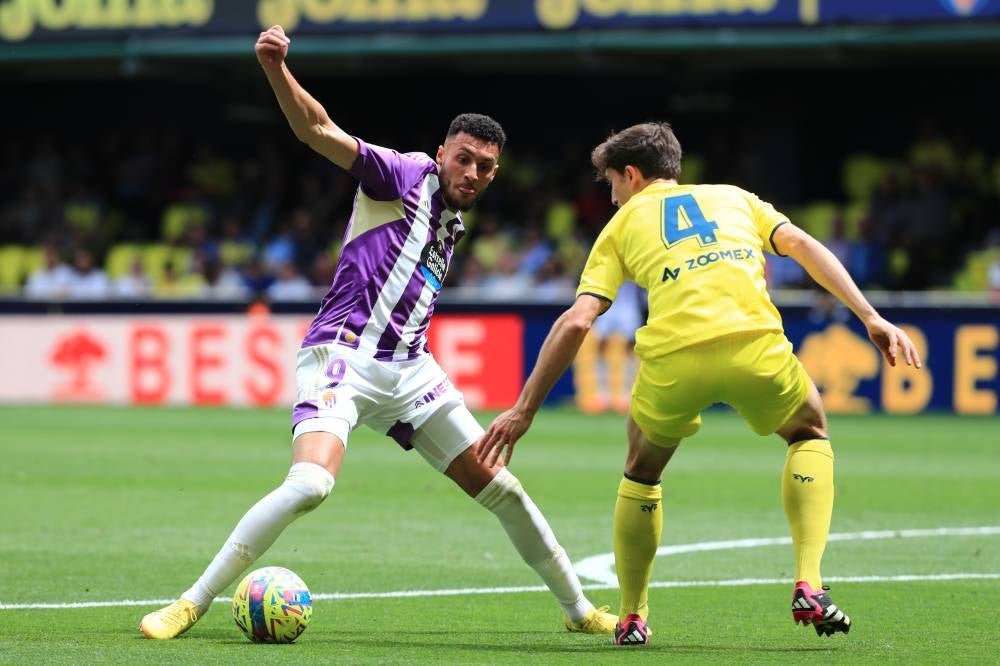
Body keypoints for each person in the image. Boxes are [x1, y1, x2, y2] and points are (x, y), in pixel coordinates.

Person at [138, 24, 615, 640]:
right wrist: (275, 68)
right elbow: (317, 130)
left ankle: (580, 613)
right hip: (343, 355)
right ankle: (191, 603)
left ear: (494, 177)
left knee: (506, 490)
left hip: (410, 369)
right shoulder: (400, 174)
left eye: (484, 167)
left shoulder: (452, 222)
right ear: (442, 153)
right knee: (311, 484)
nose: (470, 172)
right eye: (463, 158)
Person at [477, 122, 922, 646]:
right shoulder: (735, 198)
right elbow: (800, 243)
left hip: (674, 360)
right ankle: (810, 581)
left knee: (642, 472)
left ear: (633, 174)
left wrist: (524, 410)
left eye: (612, 184)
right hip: (755, 345)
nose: (612, 196)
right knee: (809, 433)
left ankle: (633, 615)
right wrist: (871, 316)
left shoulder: (618, 229)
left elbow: (577, 321)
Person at [572, 280, 645, 414]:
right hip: (609, 301)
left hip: (629, 301)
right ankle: (602, 394)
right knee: (601, 345)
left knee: (630, 346)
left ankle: (625, 393)